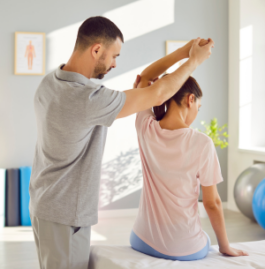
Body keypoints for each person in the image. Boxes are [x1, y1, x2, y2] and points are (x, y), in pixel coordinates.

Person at [29, 16, 213, 269]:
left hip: (43, 203)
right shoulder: (87, 99)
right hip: (66, 213)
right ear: (96, 50)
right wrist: (193, 60)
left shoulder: (50, 82)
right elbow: (157, 92)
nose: (115, 63)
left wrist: (183, 51)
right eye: (114, 55)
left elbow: (149, 83)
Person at [130, 65, 249, 261]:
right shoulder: (202, 142)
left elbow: (144, 78)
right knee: (206, 240)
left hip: (141, 240)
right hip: (182, 247)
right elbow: (212, 203)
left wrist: (150, 85)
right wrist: (225, 246)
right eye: (198, 107)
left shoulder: (145, 126)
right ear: (190, 99)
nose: (197, 113)